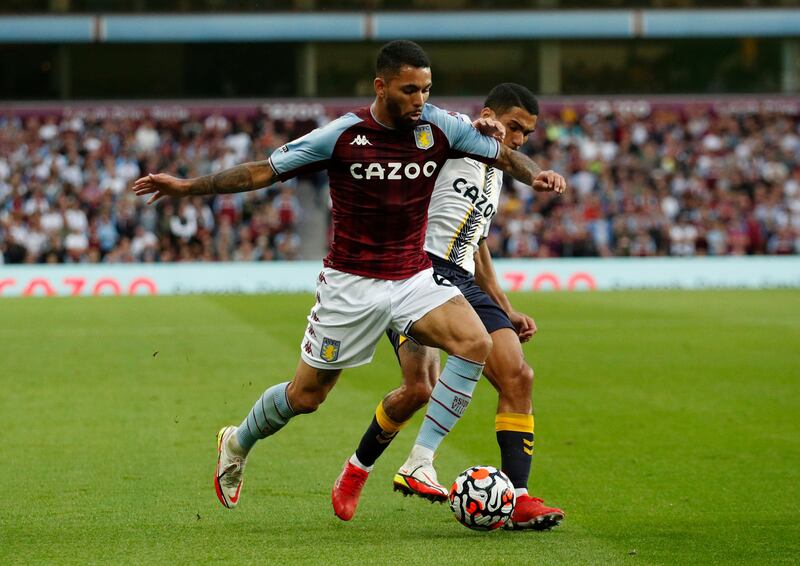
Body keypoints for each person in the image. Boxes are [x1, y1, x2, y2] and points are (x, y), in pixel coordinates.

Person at [132, 40, 566, 510]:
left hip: (413, 276)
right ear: (381, 87)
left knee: (476, 343)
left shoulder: (440, 127)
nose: (420, 100)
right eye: (409, 90)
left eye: (426, 89)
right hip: (351, 284)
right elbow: (261, 171)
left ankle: (420, 460)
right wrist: (186, 187)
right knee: (307, 395)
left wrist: (536, 173)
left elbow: (503, 155)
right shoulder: (341, 135)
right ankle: (237, 442)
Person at [331, 83, 564, 530]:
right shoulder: (449, 141)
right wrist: (475, 127)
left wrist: (505, 307)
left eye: (526, 134)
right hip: (413, 271)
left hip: (461, 276)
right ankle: (358, 469)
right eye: (513, 126)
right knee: (419, 388)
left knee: (518, 375)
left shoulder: (495, 173)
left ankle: (516, 498)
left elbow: (477, 245)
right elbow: (422, 128)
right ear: (490, 113)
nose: (517, 139)